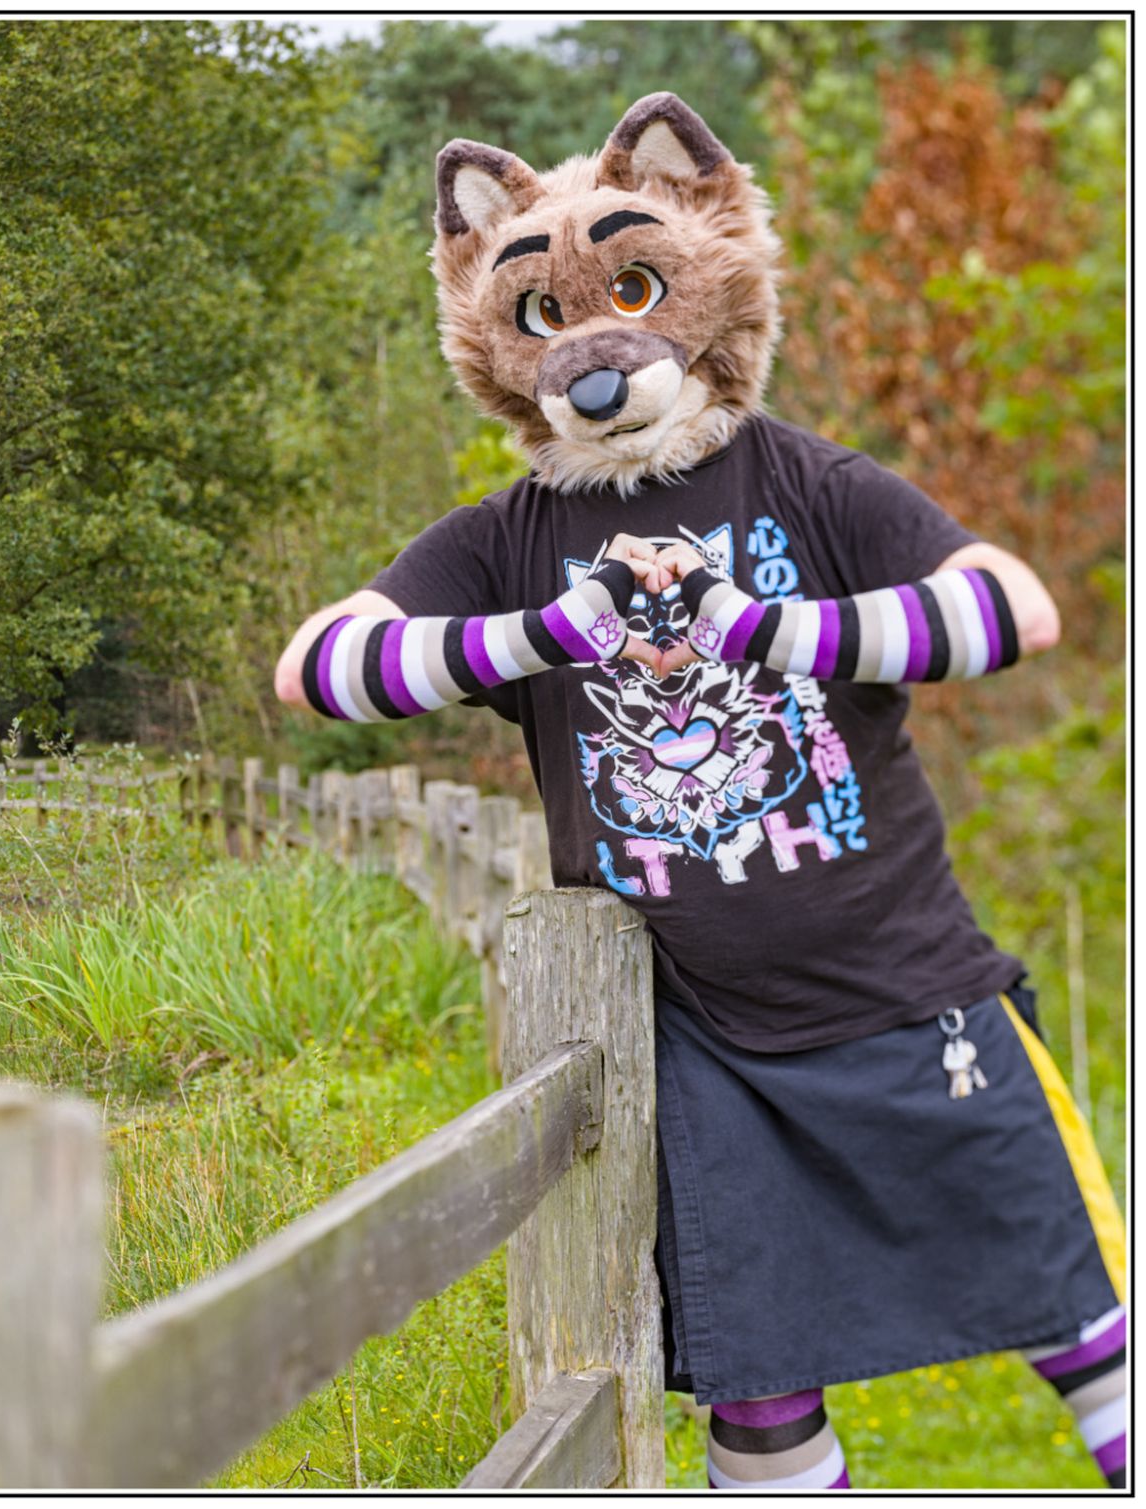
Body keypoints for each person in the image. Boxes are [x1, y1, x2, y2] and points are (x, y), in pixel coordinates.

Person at [273, 91, 1125, 1491]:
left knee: (1084, 1327)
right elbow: (323, 667)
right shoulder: (509, 542)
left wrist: (765, 629)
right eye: (544, 316)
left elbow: (1008, 610)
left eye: (635, 289)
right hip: (716, 1051)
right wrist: (554, 634)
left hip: (914, 998)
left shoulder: (809, 486)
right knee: (759, 1396)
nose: (595, 356)